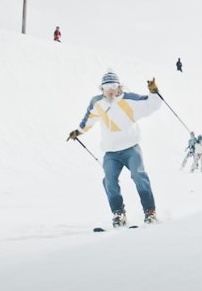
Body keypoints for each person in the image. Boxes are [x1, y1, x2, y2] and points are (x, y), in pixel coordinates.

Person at [67, 71, 162, 227]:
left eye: (113, 85)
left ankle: (150, 211)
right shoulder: (97, 103)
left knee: (139, 177)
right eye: (106, 86)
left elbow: (152, 104)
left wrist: (153, 91)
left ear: (119, 87)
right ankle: (119, 213)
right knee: (109, 181)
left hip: (132, 149)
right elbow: (88, 119)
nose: (110, 89)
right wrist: (78, 131)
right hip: (111, 153)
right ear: (102, 88)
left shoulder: (130, 100)